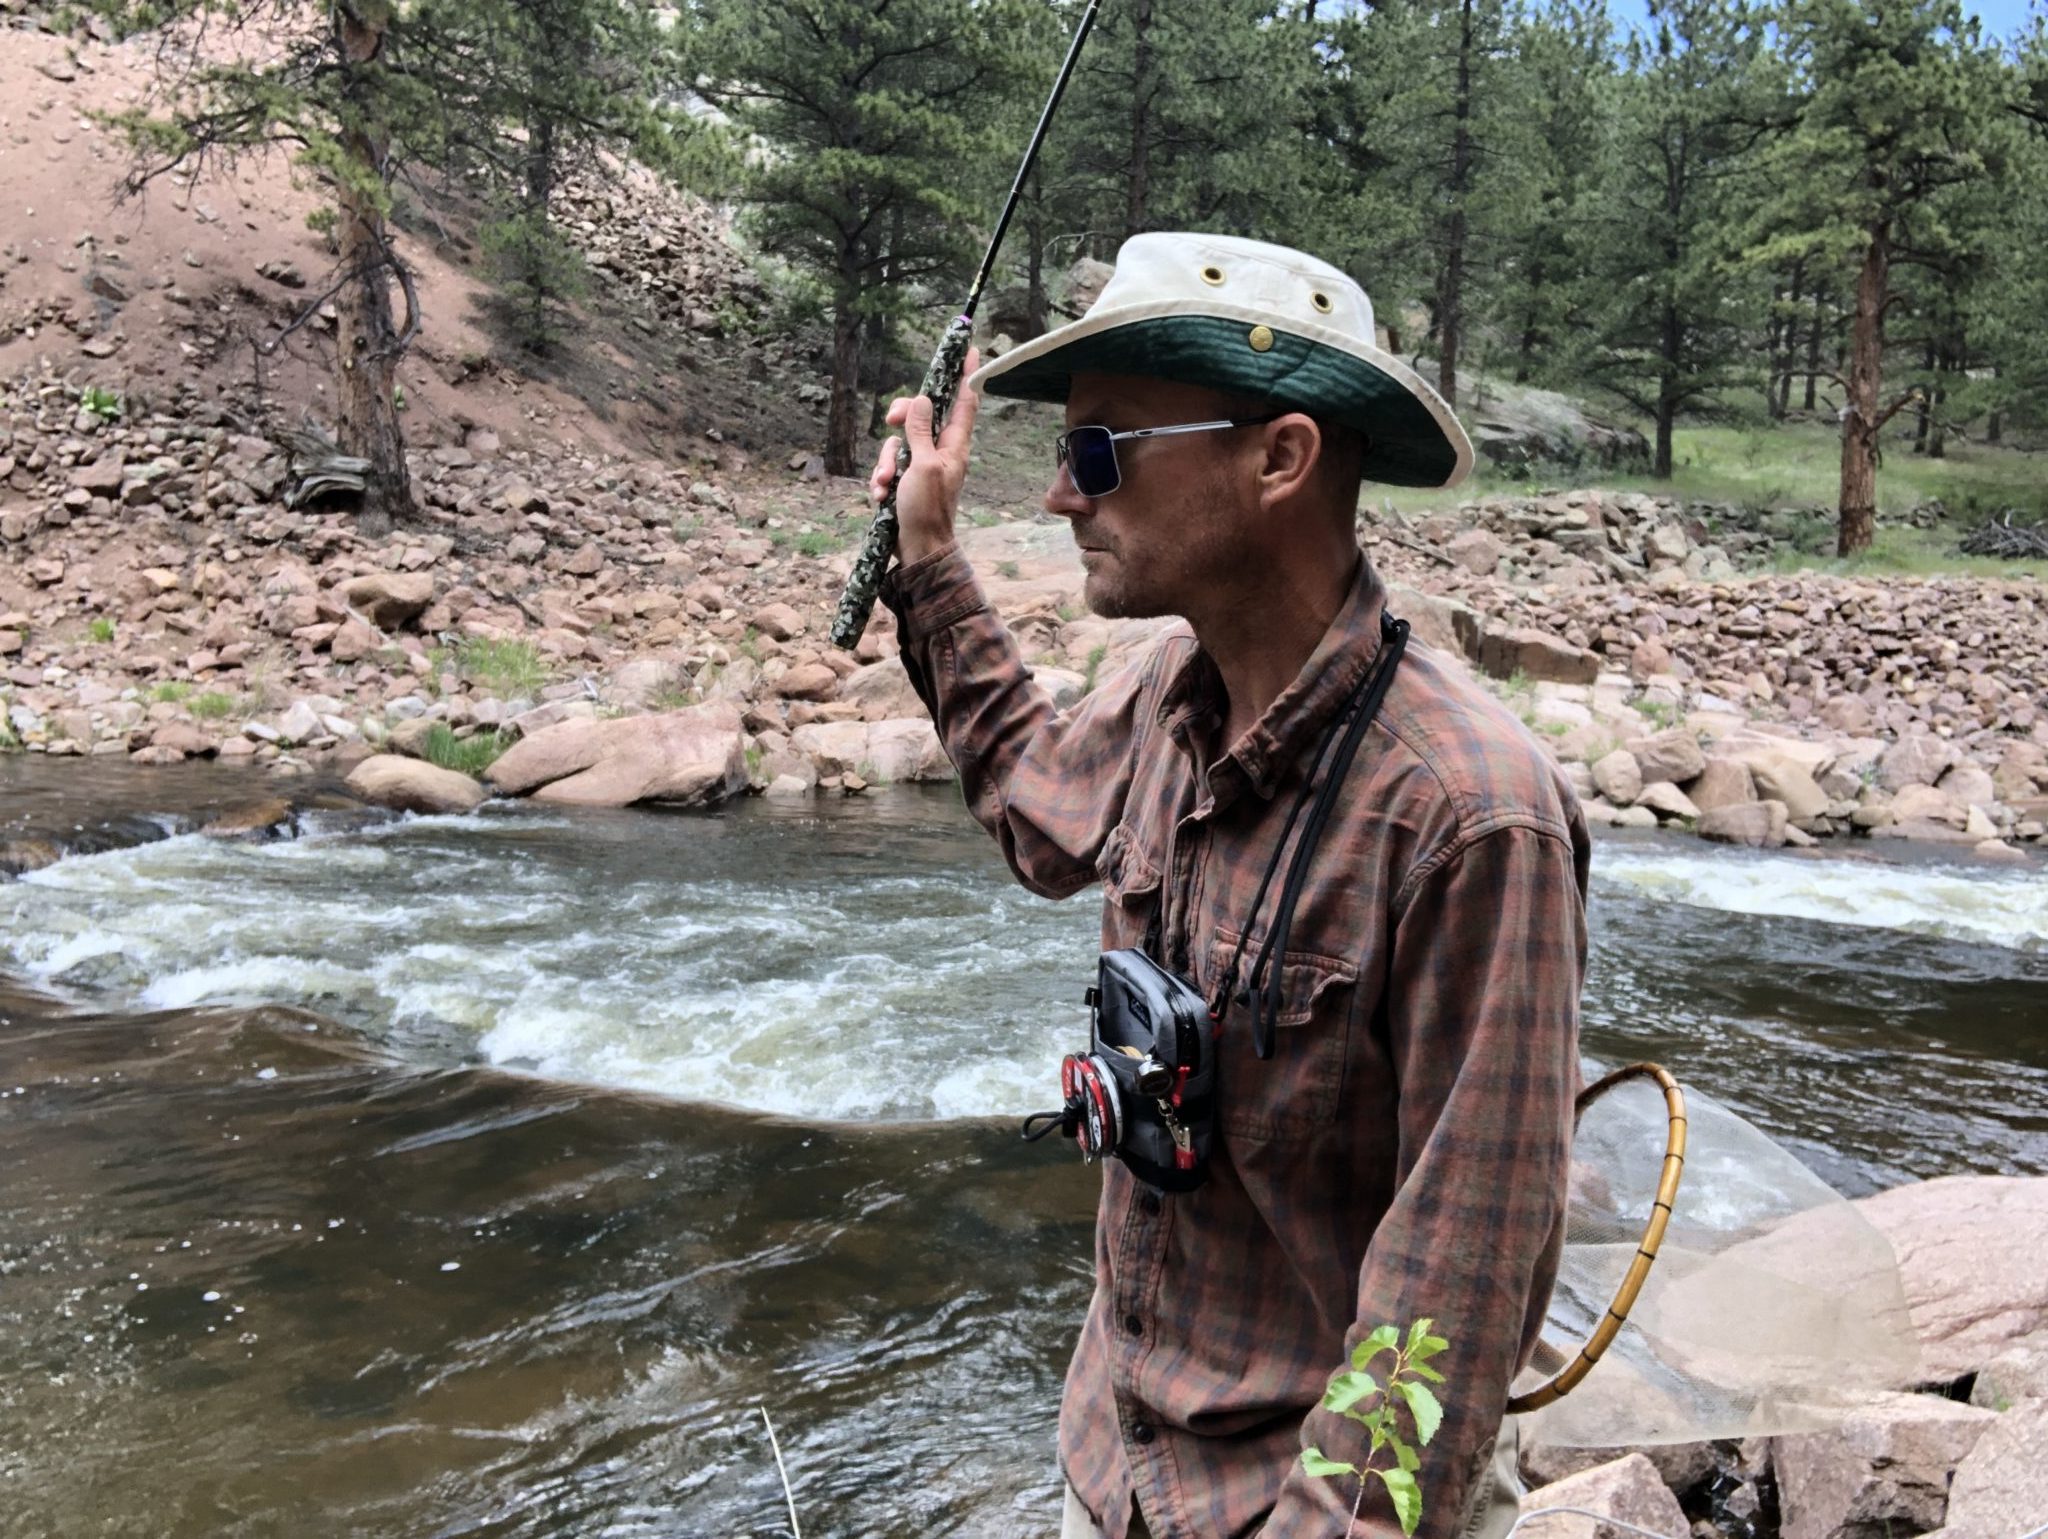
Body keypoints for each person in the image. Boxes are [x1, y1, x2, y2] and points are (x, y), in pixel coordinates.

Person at [870, 233, 1587, 1539]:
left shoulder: (1472, 816)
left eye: (1098, 452)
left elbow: (1458, 1287)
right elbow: (1039, 814)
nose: (1060, 499)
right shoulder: (1159, 696)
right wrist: (926, 561)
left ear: (1279, 460)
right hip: (1119, 1468)